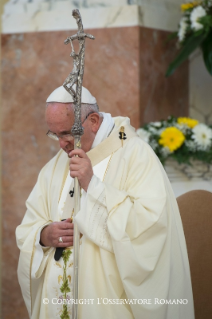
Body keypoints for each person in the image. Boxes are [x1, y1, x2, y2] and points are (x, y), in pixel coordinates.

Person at [16, 85, 195, 319]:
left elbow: (151, 227)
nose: (61, 144)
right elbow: (30, 222)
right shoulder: (57, 163)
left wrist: (93, 185)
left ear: (93, 121)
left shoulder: (135, 155)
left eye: (67, 133)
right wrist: (43, 234)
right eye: (55, 134)